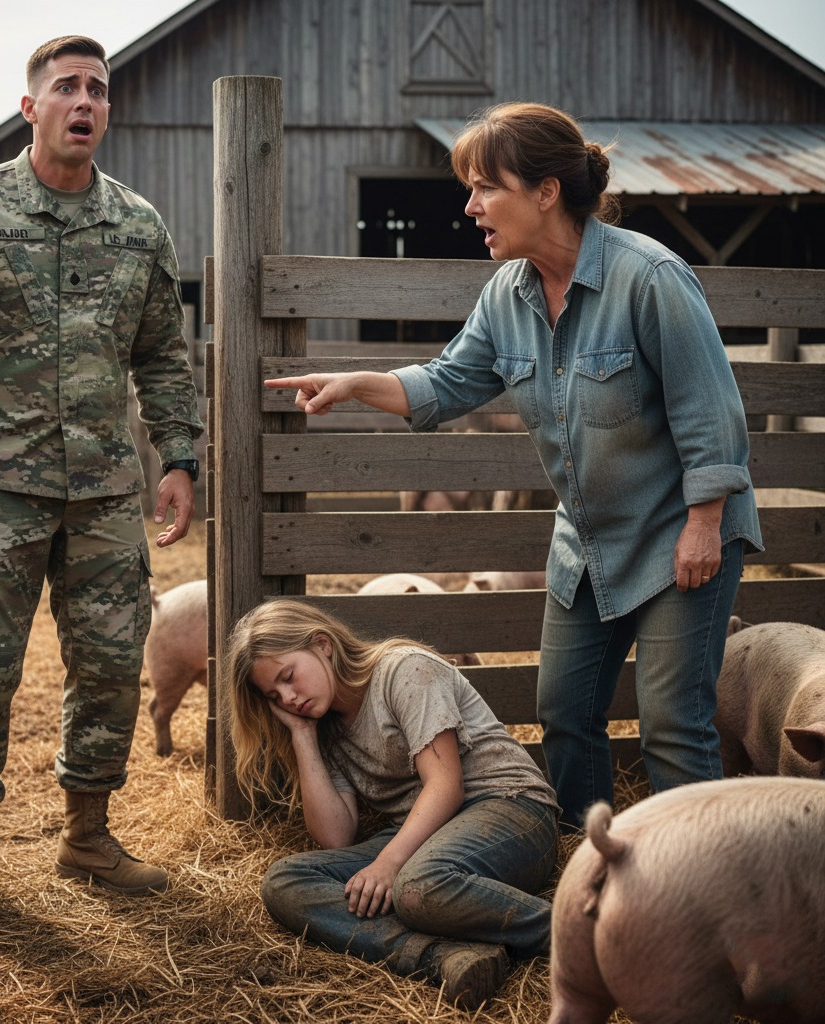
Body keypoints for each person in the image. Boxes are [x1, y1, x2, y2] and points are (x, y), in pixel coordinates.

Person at [265, 102, 762, 831]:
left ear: (546, 192)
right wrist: (355, 383)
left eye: (485, 188)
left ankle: (696, 874)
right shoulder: (507, 294)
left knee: (671, 722)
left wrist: (706, 521)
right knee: (563, 710)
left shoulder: (649, 277)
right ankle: (587, 856)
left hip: (679, 535)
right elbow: (447, 382)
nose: (470, 207)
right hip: (587, 545)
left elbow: (711, 410)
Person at [0, 35, 204, 928]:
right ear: (31, 108)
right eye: (66, 88)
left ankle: (87, 836)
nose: (84, 101)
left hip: (103, 490)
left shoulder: (138, 226)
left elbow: (162, 356)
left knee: (110, 667)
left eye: (97, 89)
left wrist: (179, 457)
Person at [225, 599, 559, 1010]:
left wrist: (388, 863)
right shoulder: (323, 724)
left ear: (322, 644)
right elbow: (335, 836)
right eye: (275, 695)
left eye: (289, 677)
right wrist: (302, 735)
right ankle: (442, 955)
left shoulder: (404, 671)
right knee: (286, 880)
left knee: (418, 887)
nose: (289, 698)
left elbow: (446, 786)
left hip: (510, 809)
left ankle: (579, 932)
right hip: (426, 836)